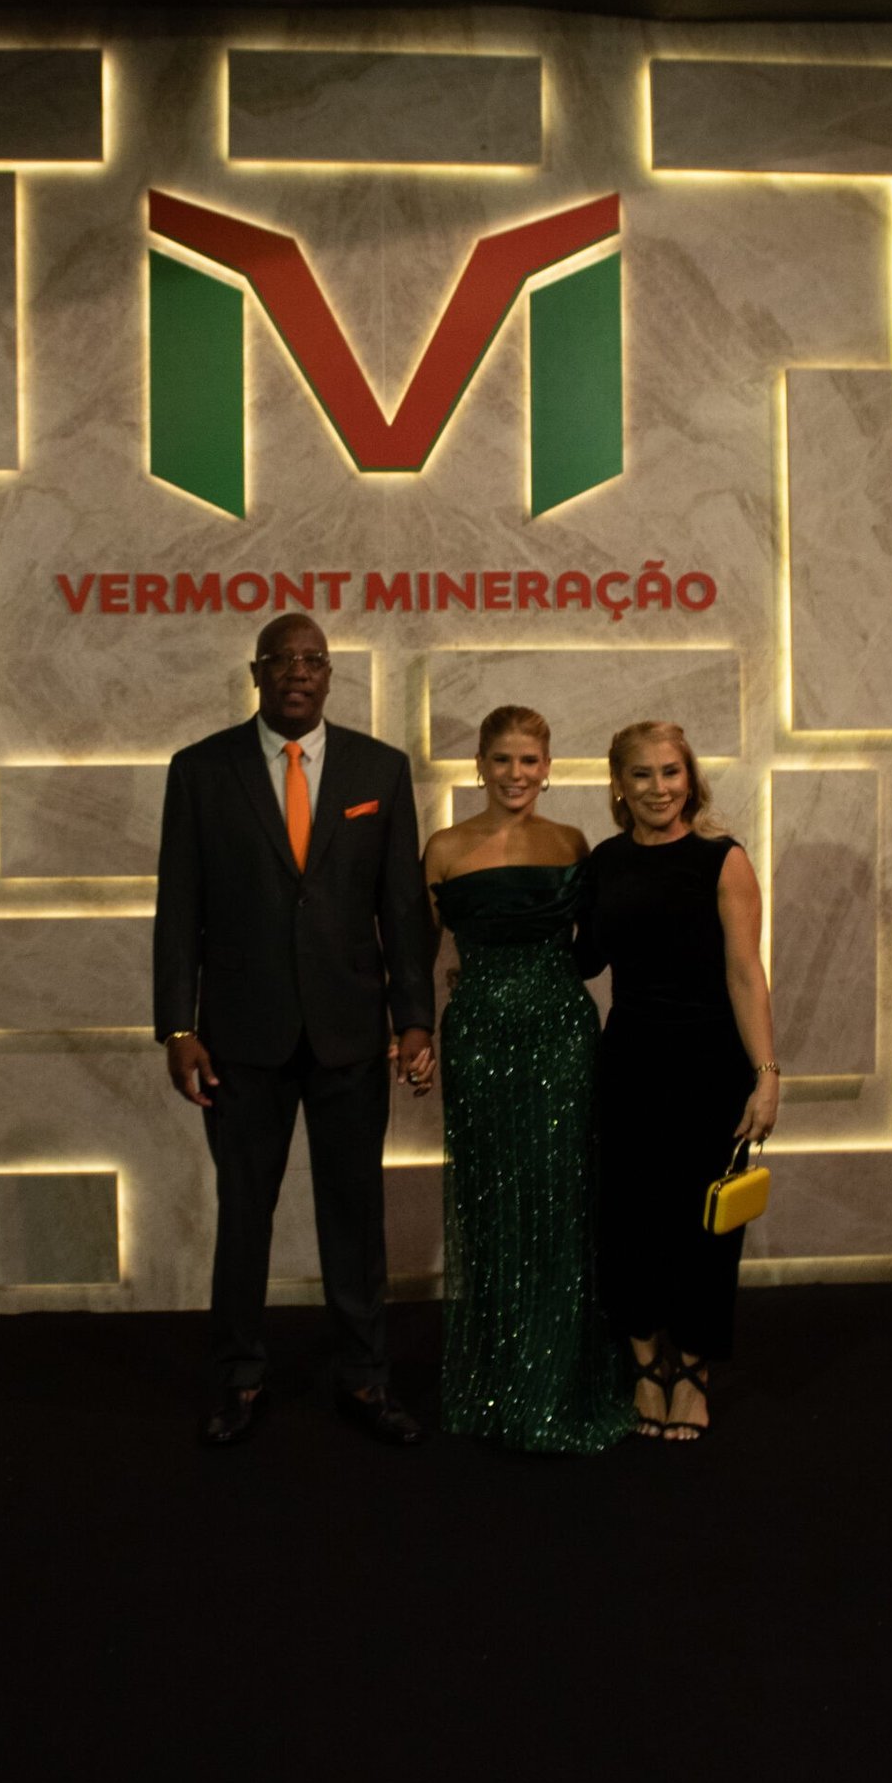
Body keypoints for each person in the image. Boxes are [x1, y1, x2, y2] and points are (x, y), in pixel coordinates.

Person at [153, 613, 436, 1448]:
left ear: (330, 674)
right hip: (241, 1039)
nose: (299, 672)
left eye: (313, 659)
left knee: (355, 1216)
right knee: (244, 1216)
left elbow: (401, 912)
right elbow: (180, 910)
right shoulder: (201, 770)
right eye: (282, 659)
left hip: (351, 1033)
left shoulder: (380, 770)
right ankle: (239, 1379)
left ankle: (365, 1376)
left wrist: (414, 1020)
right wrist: (176, 1027)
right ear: (256, 672)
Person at [420, 707, 631, 1452]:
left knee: (562, 1198)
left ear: (548, 768)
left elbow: (596, 946)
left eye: (529, 761)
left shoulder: (572, 843)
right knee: (490, 1200)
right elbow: (418, 953)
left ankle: (563, 1378)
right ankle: (500, 1377)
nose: (516, 774)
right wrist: (411, 1033)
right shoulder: (444, 848)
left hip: (562, 1034)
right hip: (478, 1035)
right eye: (503, 760)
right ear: (479, 765)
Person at [577, 721, 779, 1442]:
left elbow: (745, 974)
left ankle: (691, 1370)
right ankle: (643, 1365)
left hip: (710, 1065)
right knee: (628, 1220)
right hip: (629, 1061)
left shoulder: (723, 861)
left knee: (704, 1227)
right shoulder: (605, 862)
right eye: (642, 774)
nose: (658, 788)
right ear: (619, 785)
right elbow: (582, 961)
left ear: (690, 779)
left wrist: (766, 1075)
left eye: (670, 772)